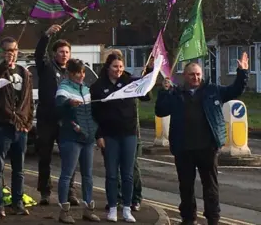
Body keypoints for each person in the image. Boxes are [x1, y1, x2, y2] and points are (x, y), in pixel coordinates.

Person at [155, 53, 249, 225]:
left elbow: (235, 90)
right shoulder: (176, 93)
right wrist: (164, 91)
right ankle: (188, 219)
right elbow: (160, 111)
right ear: (185, 76)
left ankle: (213, 218)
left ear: (202, 75)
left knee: (211, 187)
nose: (196, 77)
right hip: (184, 149)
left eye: (198, 74)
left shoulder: (213, 91)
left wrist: (242, 72)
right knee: (186, 187)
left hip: (207, 147)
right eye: (192, 74)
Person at [90, 53, 152, 223]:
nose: (118, 70)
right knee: (111, 174)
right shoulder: (97, 86)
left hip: (129, 134)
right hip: (109, 135)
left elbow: (145, 96)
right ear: (108, 67)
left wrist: (149, 74)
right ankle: (112, 208)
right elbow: (94, 114)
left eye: (121, 67)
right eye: (115, 67)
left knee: (128, 174)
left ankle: (126, 208)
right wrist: (99, 135)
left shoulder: (130, 81)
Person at [0, 37, 34, 217]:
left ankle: (18, 202)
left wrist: (28, 122)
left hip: (20, 127)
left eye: (13, 50)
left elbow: (28, 101)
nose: (10, 53)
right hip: (1, 126)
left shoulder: (24, 72)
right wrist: (3, 66)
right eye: (6, 50)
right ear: (1, 51)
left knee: (19, 169)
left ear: (17, 50)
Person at [35, 24, 79, 206]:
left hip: (66, 121)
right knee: (44, 157)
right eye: (61, 52)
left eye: (67, 52)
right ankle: (45, 192)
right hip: (47, 119)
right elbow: (38, 54)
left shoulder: (73, 72)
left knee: (69, 158)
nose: (64, 55)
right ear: (55, 54)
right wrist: (47, 35)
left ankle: (70, 192)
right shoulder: (46, 67)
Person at [55, 59, 99, 224]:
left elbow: (91, 113)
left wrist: (93, 130)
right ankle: (64, 211)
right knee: (67, 174)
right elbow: (58, 109)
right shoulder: (63, 89)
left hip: (87, 137)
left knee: (88, 175)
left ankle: (88, 209)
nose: (80, 76)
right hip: (71, 138)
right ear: (69, 74)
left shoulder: (86, 89)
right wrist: (68, 103)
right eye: (76, 73)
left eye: (82, 72)